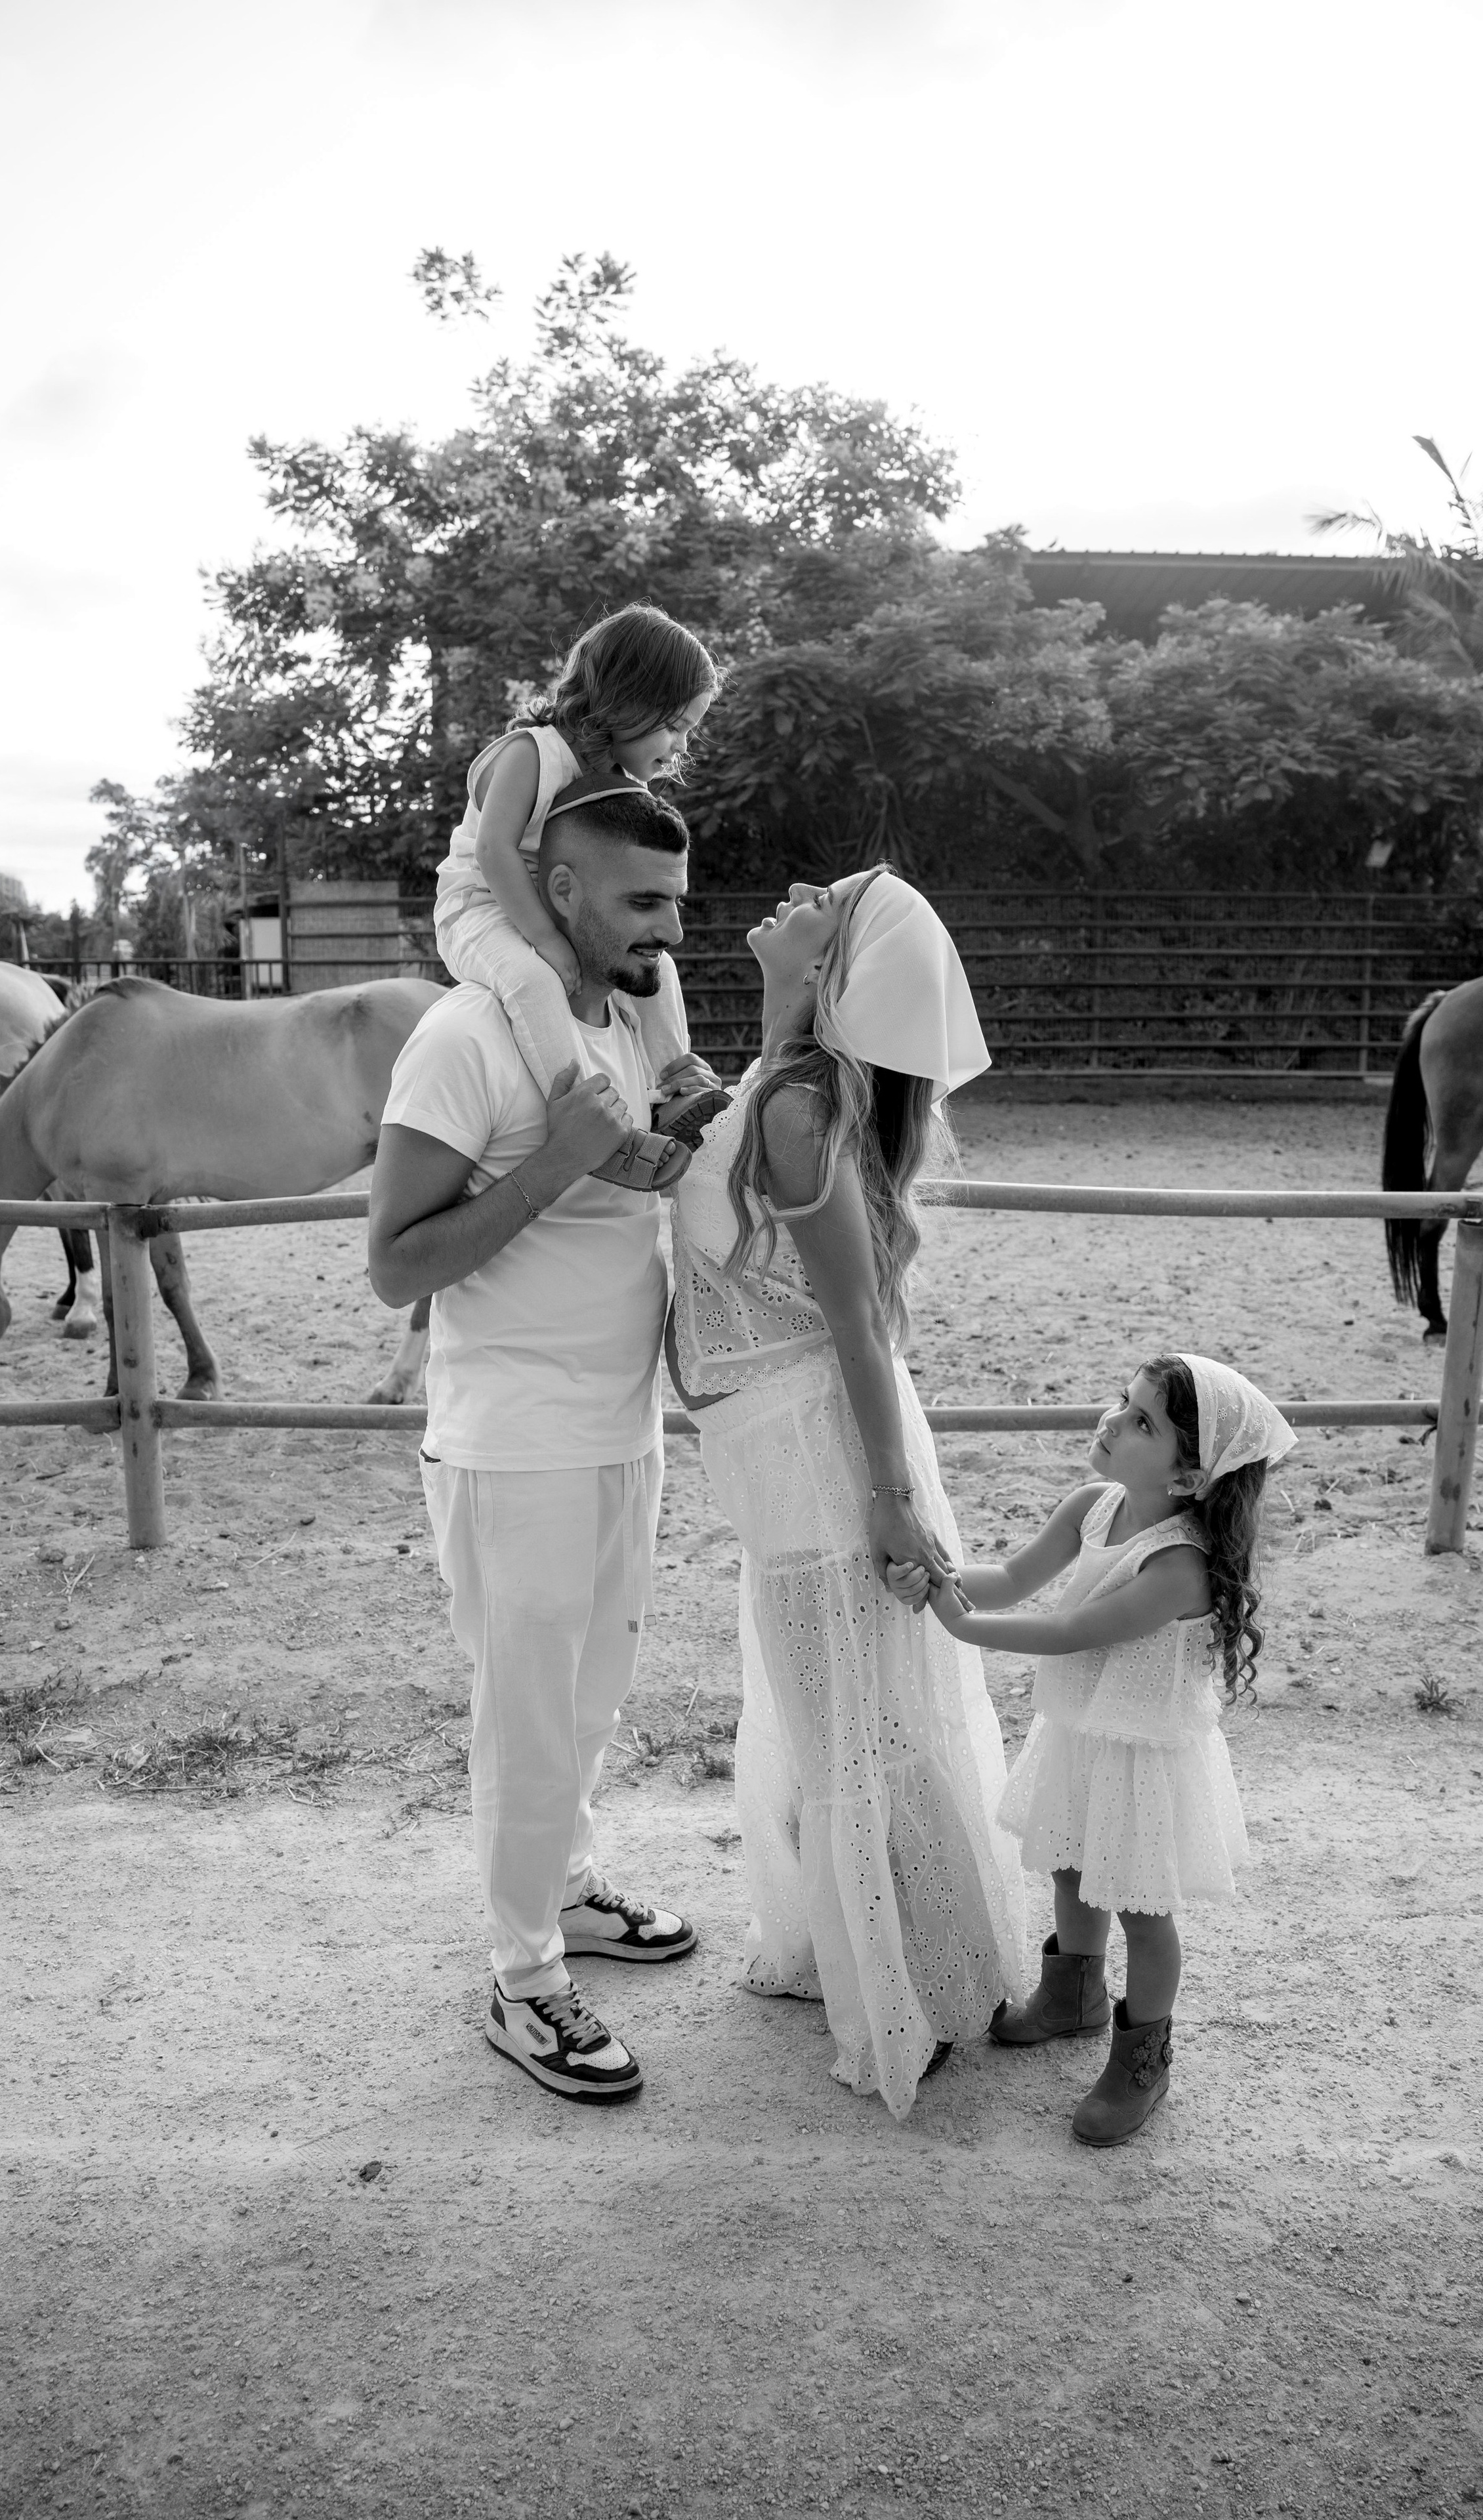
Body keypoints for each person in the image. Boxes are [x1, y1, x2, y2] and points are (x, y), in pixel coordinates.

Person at [369, 780, 717, 2107]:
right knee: (524, 1715)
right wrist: (549, 1167)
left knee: (587, 1697)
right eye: (641, 902)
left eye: (678, 903)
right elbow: (394, 1266)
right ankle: (519, 1981)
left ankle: (563, 1892)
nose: (666, 931)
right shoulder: (462, 1039)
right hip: (510, 1442)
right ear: (560, 893)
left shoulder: (629, 1020)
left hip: (622, 1423)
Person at [665, 867, 1029, 2122]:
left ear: (843, 970)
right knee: (827, 1704)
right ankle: (862, 1957)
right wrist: (779, 998)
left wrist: (885, 1498)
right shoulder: (789, 1078)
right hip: (776, 1452)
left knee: (851, 1721)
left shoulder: (800, 1114)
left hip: (825, 1453)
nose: (795, 890)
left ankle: (903, 2004)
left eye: (827, 898)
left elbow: (860, 1333)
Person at [894, 1353, 1295, 2146]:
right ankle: (1071, 1994)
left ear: (1188, 1475)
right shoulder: (1093, 1503)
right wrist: (937, 1576)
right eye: (1123, 1401)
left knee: (1143, 1908)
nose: (1112, 1421)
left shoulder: (1181, 1567)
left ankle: (1142, 2057)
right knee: (1072, 1864)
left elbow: (1071, 1631)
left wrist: (961, 1624)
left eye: (1142, 1422)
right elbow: (1009, 1578)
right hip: (1082, 1730)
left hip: (1144, 1752)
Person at [431, 603, 724, 1192]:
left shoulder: (621, 780)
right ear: (629, 698)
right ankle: (590, 1130)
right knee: (537, 981)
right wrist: (545, 939)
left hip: (555, 908)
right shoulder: (532, 753)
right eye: (674, 724)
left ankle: (673, 1092)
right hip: (481, 907)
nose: (681, 744)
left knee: (657, 968)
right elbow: (495, 852)